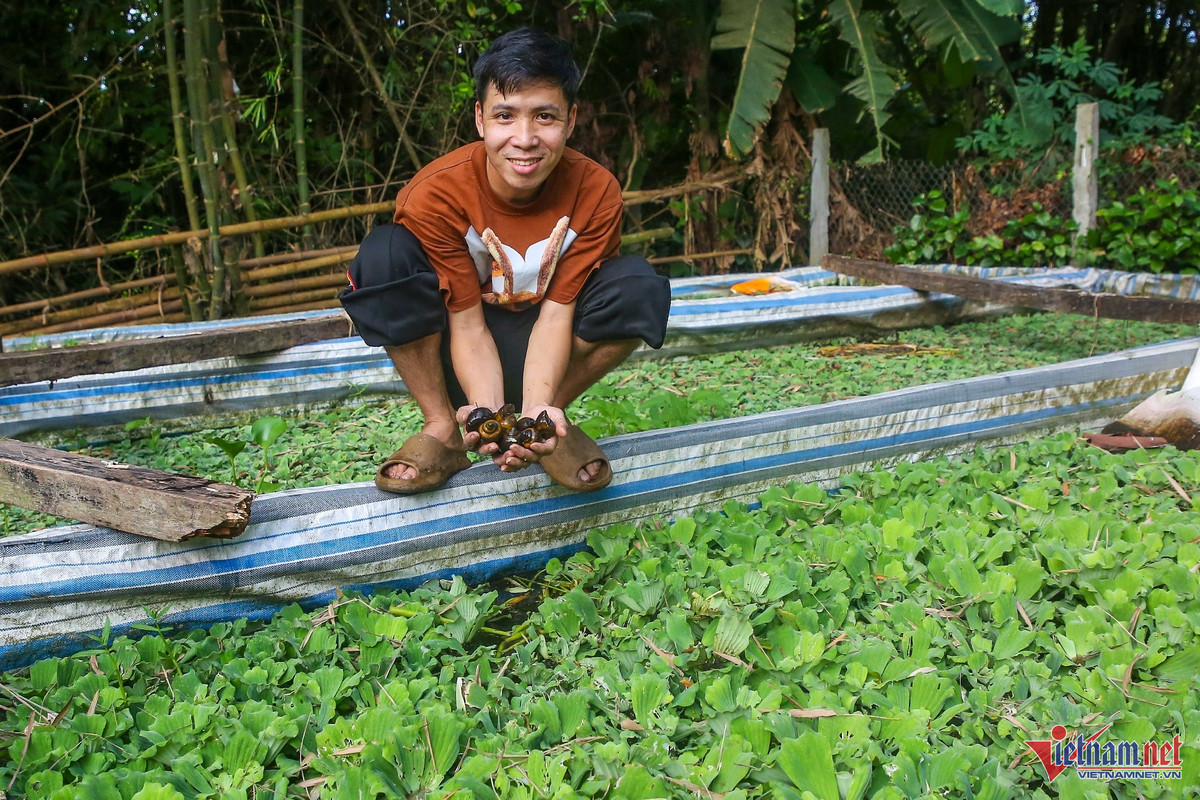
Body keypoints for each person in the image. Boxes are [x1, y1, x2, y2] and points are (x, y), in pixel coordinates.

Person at [339, 26, 671, 495]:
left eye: (545, 116)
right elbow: (468, 325)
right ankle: (443, 427)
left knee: (637, 286)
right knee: (384, 253)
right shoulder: (435, 194)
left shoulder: (596, 192)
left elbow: (556, 316)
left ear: (571, 120)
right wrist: (486, 415)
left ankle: (544, 424)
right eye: (505, 116)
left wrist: (534, 409)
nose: (525, 138)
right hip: (455, 346)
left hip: (548, 346)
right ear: (480, 119)